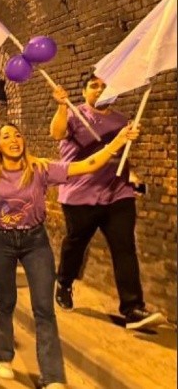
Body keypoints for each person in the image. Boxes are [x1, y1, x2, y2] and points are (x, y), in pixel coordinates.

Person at [0, 122, 138, 389]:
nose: (15, 139)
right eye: (7, 136)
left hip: (34, 242)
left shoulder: (39, 168)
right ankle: (2, 354)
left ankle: (52, 376)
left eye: (18, 134)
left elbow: (86, 166)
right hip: (0, 242)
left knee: (44, 309)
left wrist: (118, 142)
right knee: (5, 302)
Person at [50, 77, 164, 329]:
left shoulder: (121, 121)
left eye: (105, 86)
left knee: (125, 248)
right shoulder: (74, 113)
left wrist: (132, 176)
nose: (100, 90)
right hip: (80, 193)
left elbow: (123, 158)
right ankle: (64, 282)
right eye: (94, 86)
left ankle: (133, 308)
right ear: (84, 91)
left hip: (117, 193)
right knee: (75, 244)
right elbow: (57, 133)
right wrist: (61, 106)